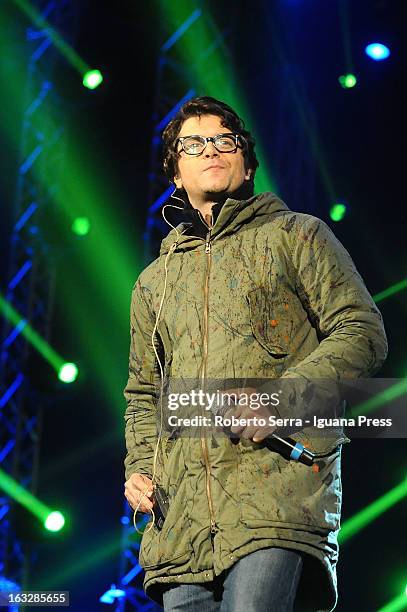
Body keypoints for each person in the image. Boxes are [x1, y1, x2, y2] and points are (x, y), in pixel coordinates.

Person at [123, 96, 387, 611]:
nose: (212, 150)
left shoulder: (296, 235)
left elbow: (362, 330)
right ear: (175, 171)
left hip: (275, 492)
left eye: (226, 141)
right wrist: (139, 469)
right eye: (194, 144)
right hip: (180, 520)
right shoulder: (154, 282)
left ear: (247, 162)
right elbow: (142, 393)